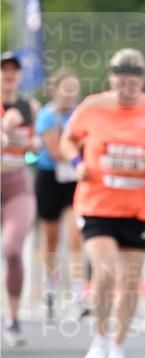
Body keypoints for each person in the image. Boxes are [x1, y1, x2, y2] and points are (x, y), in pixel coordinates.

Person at [60, 48, 145, 358]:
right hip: (97, 204)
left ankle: (118, 347)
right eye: (121, 83)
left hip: (138, 208)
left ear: (141, 82)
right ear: (112, 79)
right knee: (106, 272)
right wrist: (77, 163)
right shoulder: (93, 107)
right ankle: (98, 342)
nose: (127, 90)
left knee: (131, 280)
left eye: (133, 84)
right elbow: (69, 140)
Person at [35, 68, 85, 320]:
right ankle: (50, 290)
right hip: (50, 179)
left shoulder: (80, 115)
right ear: (55, 90)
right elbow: (55, 152)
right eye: (65, 88)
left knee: (75, 236)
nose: (69, 94)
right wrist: (78, 153)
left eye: (73, 89)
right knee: (51, 240)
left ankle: (79, 294)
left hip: (73, 180)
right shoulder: (47, 115)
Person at [1, 52, 39, 347]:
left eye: (14, 70)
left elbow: (36, 153)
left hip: (17, 182)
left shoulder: (29, 107)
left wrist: (32, 149)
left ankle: (12, 319)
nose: (8, 74)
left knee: (13, 250)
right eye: (3, 69)